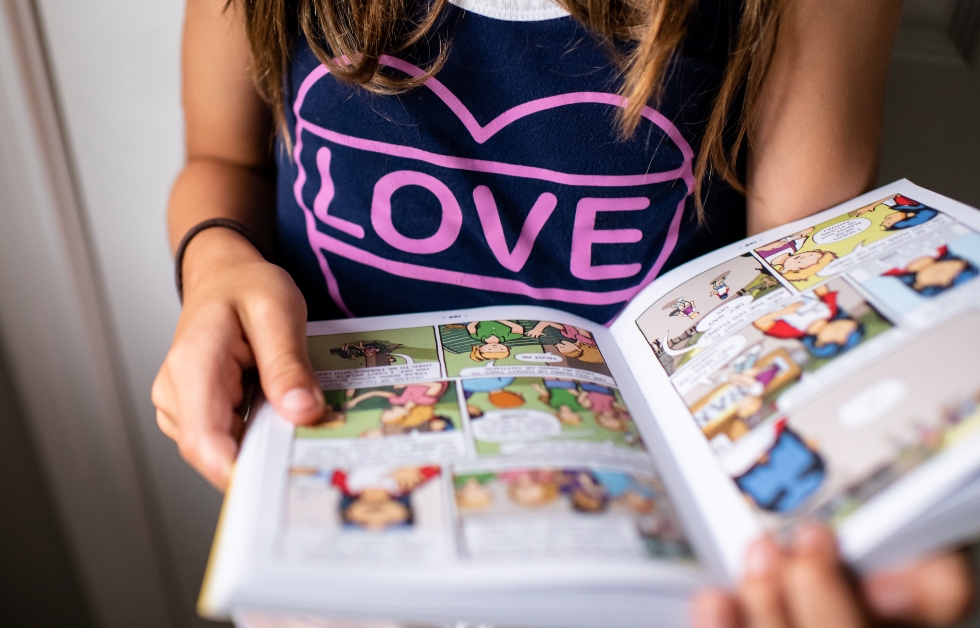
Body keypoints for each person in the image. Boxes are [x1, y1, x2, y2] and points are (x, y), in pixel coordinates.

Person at [152, 0, 972, 624]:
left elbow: (793, 280)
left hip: (646, 576)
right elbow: (221, 158)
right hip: (343, 528)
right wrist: (215, 262)